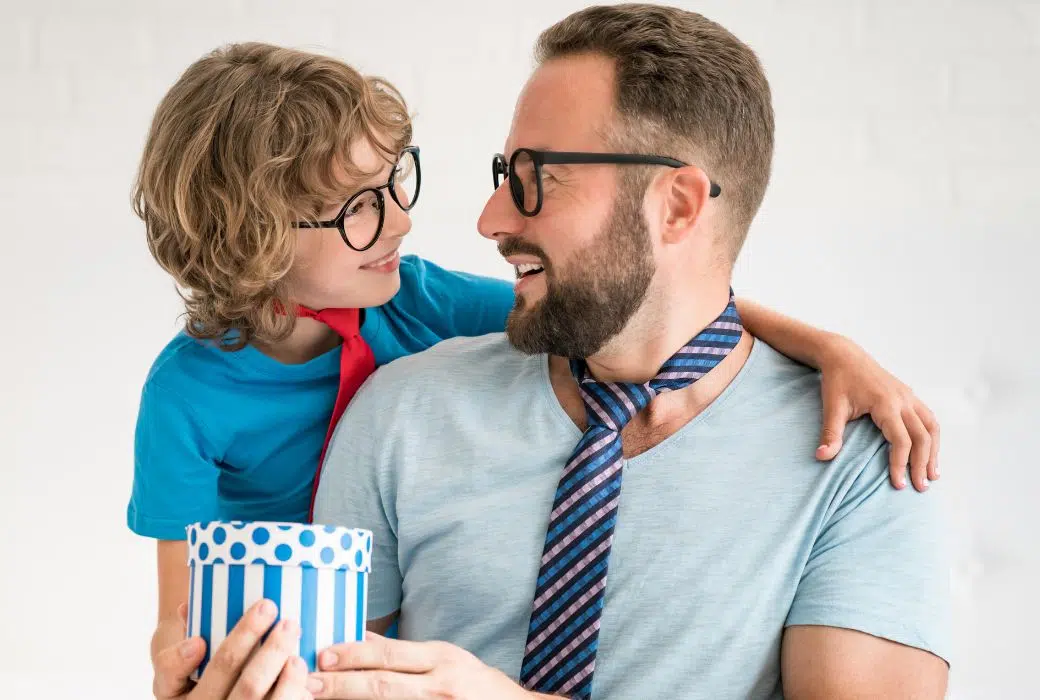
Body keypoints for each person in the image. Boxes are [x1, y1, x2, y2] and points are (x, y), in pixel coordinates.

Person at [129, 40, 943, 700]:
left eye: (536, 180)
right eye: (501, 177)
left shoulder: (861, 453)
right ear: (259, 238)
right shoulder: (393, 408)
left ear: (680, 206)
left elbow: (687, 317)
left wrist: (829, 348)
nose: (481, 220)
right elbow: (229, 636)